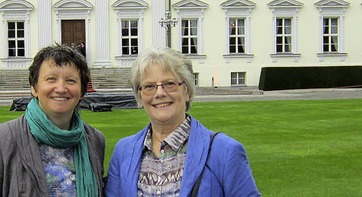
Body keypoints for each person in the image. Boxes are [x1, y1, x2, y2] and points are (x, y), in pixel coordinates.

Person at [105, 48, 260, 196]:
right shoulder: (123, 152)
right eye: (149, 86)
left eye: (169, 84)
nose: (159, 93)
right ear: (139, 97)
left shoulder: (225, 152)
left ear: (187, 91)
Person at [0, 44, 105, 196]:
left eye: (71, 81)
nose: (61, 88)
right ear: (34, 88)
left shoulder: (94, 139)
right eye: (51, 79)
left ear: (82, 91)